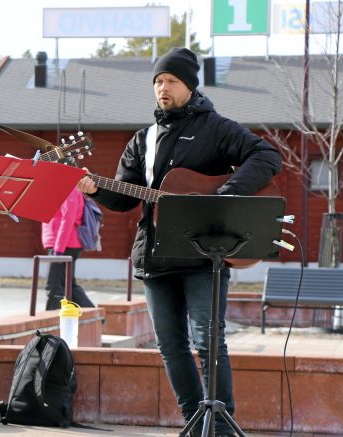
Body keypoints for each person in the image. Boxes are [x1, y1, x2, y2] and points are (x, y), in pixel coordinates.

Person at [78, 47, 281, 437]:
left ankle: (220, 427)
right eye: (157, 82)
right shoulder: (144, 138)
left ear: (189, 85)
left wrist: (226, 192)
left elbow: (266, 155)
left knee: (208, 342)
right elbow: (125, 197)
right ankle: (194, 422)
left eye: (171, 81)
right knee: (170, 346)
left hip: (206, 257)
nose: (162, 88)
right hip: (156, 256)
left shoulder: (217, 128)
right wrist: (93, 189)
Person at [41, 187, 95, 310]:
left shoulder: (69, 190)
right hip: (63, 245)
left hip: (64, 246)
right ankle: (96, 316)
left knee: (54, 287)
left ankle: (51, 321)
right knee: (69, 286)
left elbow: (67, 220)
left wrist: (58, 250)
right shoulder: (63, 190)